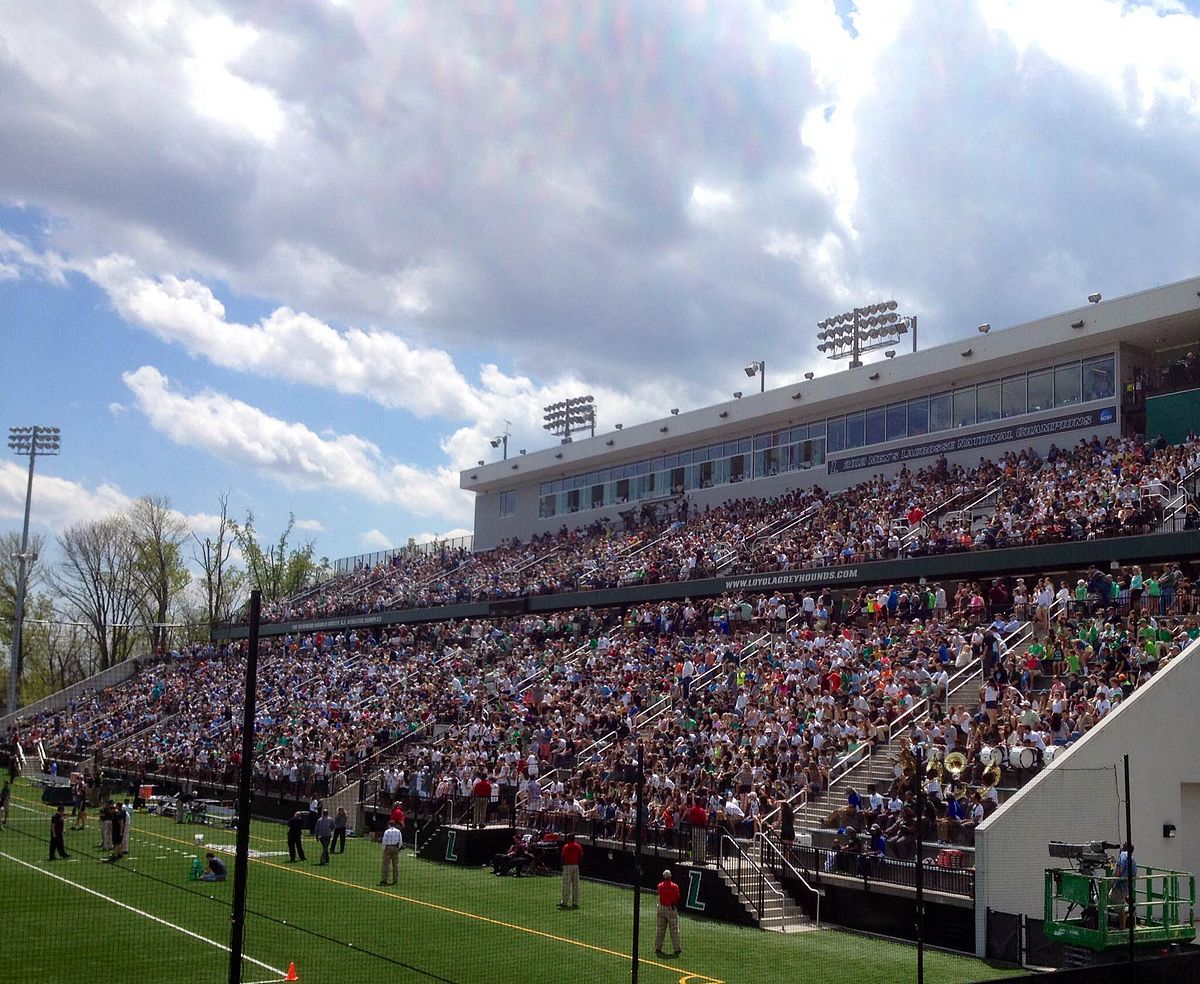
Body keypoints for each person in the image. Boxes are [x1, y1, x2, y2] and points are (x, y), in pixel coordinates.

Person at [654, 868, 682, 956]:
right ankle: (677, 948)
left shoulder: (660, 886)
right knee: (674, 929)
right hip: (671, 908)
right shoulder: (675, 886)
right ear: (670, 877)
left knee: (660, 929)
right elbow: (677, 897)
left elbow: (659, 893)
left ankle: (658, 947)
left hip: (661, 908)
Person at [1112, 842, 1136, 929]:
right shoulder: (1132, 858)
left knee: (1110, 900)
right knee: (1121, 905)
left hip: (1120, 886)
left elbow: (1119, 871)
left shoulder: (1123, 855)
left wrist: (1110, 884)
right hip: (1127, 886)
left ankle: (1122, 927)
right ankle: (1124, 924)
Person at [558, 833, 582, 909]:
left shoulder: (566, 846)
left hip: (567, 866)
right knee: (576, 885)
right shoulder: (578, 846)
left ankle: (565, 902)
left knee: (566, 885)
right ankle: (575, 902)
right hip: (575, 866)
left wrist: (562, 865)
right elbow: (580, 855)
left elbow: (563, 856)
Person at [378, 819, 402, 886]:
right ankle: (395, 879)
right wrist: (398, 848)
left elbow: (384, 841)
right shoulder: (398, 831)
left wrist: (384, 849)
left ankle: (384, 879)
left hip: (388, 847)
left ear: (389, 825)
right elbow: (400, 841)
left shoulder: (387, 831)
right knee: (395, 864)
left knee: (386, 865)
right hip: (395, 847)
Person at [687, 797, 708, 864]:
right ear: (699, 802)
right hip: (701, 829)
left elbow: (690, 818)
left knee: (695, 844)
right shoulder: (701, 810)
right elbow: (704, 821)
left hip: (694, 828)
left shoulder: (692, 809)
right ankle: (701, 860)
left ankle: (695, 859)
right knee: (701, 845)